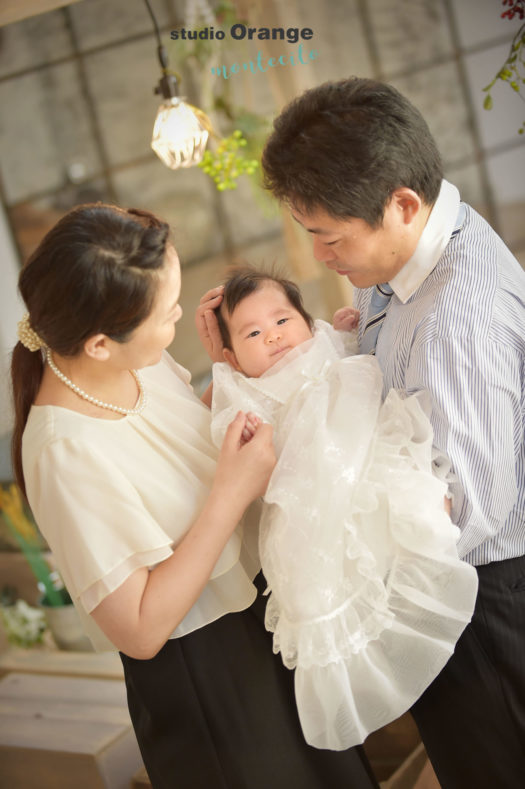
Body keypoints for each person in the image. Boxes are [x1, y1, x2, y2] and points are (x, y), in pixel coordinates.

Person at [10, 203, 380, 789]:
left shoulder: (140, 363)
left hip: (267, 624)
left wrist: (231, 371)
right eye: (166, 313)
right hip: (212, 683)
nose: (180, 317)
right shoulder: (63, 449)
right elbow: (138, 628)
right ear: (102, 343)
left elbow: (181, 457)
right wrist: (230, 496)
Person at [256, 77, 525, 787]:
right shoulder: (396, 260)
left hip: (485, 598)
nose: (319, 257)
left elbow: (461, 508)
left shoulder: (457, 315)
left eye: (328, 237)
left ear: (402, 204)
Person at [204, 264, 477, 752]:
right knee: (321, 575)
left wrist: (349, 334)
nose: (274, 337)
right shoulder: (243, 391)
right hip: (310, 497)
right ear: (231, 357)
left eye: (283, 320)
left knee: (405, 503)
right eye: (253, 332)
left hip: (364, 463)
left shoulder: (329, 342)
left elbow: (355, 357)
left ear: (306, 321)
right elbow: (227, 425)